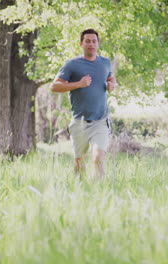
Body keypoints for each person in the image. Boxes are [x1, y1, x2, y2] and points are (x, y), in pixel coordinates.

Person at [52, 29, 116, 179]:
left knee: (98, 158)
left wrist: (112, 85)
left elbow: (111, 78)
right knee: (79, 162)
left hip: (100, 121)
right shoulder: (72, 65)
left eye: (94, 41)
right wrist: (78, 84)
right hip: (79, 122)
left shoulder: (105, 62)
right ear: (81, 44)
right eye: (87, 41)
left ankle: (98, 193)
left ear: (98, 44)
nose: (91, 44)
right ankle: (81, 191)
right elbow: (54, 86)